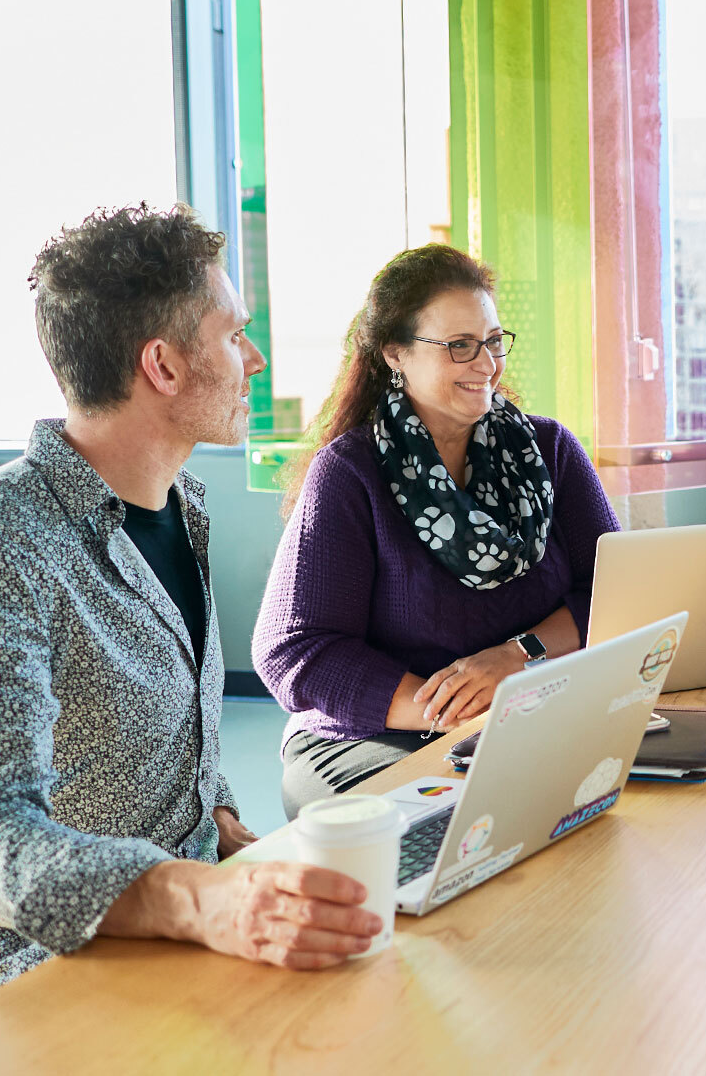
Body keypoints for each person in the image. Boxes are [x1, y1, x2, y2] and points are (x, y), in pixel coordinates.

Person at [0, 204, 381, 1027]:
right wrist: (198, 900)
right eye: (235, 335)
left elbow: (160, 739)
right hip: (19, 965)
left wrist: (223, 830)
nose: (254, 360)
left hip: (171, 933)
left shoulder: (177, 506)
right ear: (162, 365)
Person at [255, 244, 618, 818]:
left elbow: (614, 590)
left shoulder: (550, 449)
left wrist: (517, 656)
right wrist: (453, 712)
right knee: (477, 816)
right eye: (459, 346)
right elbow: (296, 652)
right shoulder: (350, 473)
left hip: (525, 711)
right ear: (395, 353)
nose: (487, 364)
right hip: (373, 736)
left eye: (493, 341)